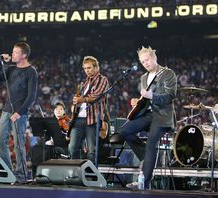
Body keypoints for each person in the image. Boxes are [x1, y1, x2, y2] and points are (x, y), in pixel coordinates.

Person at [121, 46, 177, 189]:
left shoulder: (168, 73)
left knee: (152, 142)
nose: (145, 63)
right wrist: (137, 101)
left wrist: (151, 96)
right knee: (124, 131)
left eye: (147, 60)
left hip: (162, 116)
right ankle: (146, 156)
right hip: (147, 115)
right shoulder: (143, 77)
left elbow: (170, 96)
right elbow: (145, 99)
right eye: (142, 62)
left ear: (154, 58)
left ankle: (144, 182)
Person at [0, 42, 38, 183]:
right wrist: (1, 63)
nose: (12, 54)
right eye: (12, 51)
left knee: (19, 144)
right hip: (6, 110)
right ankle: (7, 171)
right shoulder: (11, 69)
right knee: (0, 140)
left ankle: (21, 175)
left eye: (15, 52)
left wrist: (19, 112)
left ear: (24, 55)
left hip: (20, 112)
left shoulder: (31, 72)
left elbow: (32, 96)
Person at [68, 56, 110, 164]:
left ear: (96, 68)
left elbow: (96, 95)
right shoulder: (84, 83)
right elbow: (79, 99)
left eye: (89, 68)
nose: (87, 70)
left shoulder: (102, 79)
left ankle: (90, 176)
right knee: (72, 148)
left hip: (92, 119)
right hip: (78, 118)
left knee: (92, 150)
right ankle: (77, 172)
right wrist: (75, 104)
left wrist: (81, 99)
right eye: (85, 68)